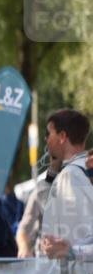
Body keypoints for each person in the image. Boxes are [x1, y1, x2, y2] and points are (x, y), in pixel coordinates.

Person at [40, 109, 93, 259]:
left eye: (48, 133)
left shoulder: (70, 175)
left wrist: (70, 252)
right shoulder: (81, 169)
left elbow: (78, 237)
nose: (46, 140)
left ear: (62, 136)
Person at [17, 153, 63, 257]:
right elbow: (23, 229)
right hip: (45, 263)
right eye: (54, 158)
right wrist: (24, 248)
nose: (55, 163)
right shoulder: (40, 192)